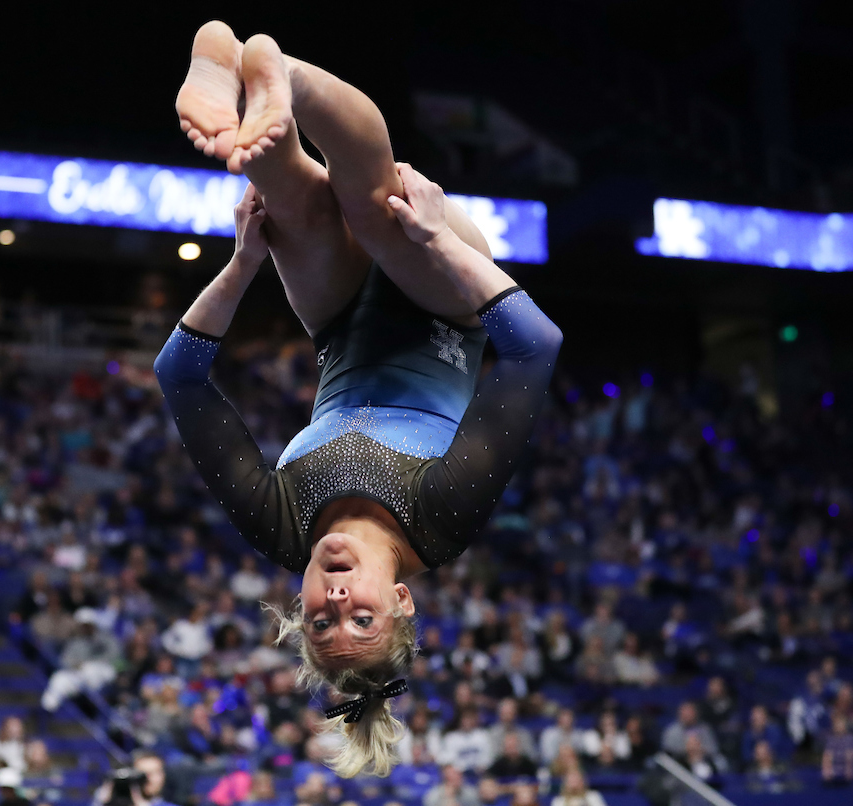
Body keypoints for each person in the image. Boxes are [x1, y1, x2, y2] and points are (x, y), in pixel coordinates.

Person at [161, 23, 562, 778]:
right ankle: (284, 76)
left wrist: (243, 264)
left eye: (321, 619)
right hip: (448, 301)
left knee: (292, 203)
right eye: (362, 615)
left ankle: (243, 88)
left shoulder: (279, 525)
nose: (338, 595)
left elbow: (180, 376)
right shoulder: (440, 519)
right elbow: (534, 346)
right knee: (379, 206)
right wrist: (441, 240)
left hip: (338, 322)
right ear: (403, 599)